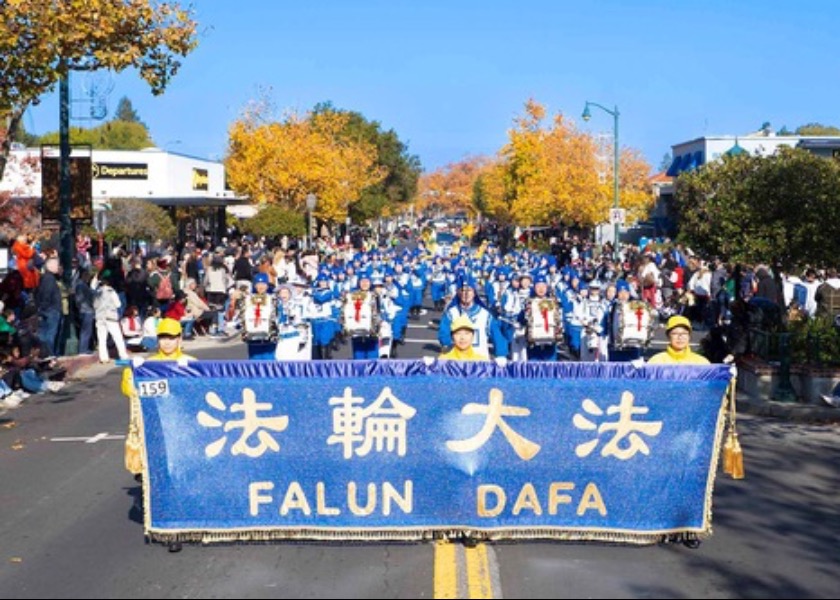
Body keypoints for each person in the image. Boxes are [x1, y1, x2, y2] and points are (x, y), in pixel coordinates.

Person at [121, 318, 195, 481]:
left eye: (171, 337)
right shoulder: (148, 365)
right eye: (163, 337)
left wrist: (191, 373)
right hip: (155, 423)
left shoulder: (191, 363)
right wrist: (131, 373)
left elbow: (201, 392)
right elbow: (130, 391)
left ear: (179, 338)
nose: (167, 342)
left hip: (182, 424)